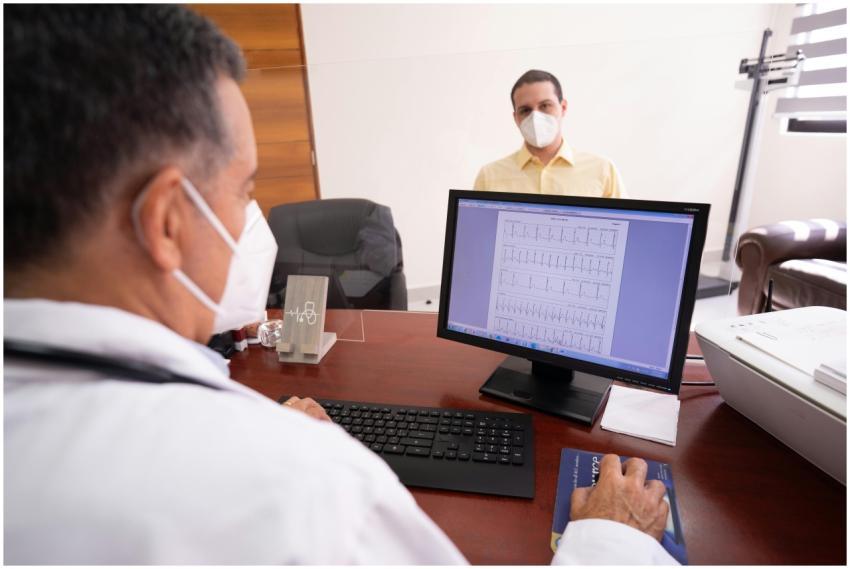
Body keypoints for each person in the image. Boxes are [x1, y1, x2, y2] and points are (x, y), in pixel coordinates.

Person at [4, 6, 672, 564]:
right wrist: (608, 538)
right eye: (245, 192)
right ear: (169, 221)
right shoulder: (297, 485)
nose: (253, 224)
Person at [474, 69, 625, 198]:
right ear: (516, 118)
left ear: (563, 107)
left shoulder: (603, 170)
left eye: (545, 105)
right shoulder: (490, 176)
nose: (535, 118)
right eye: (525, 110)